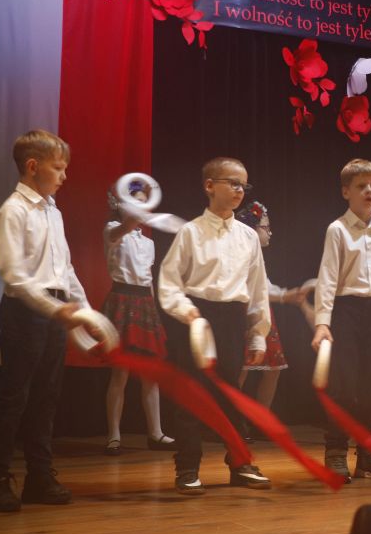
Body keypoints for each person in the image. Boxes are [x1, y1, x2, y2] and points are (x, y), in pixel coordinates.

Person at [0, 130, 90, 512]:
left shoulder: (52, 211)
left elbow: (65, 268)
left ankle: (39, 477)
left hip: (53, 310)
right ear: (32, 166)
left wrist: (85, 310)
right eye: (58, 168)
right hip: (26, 313)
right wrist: (52, 308)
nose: (64, 176)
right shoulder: (13, 211)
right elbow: (15, 277)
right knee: (14, 398)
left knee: (47, 397)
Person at [158, 157, 272, 494]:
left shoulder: (248, 237)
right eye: (233, 183)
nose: (240, 190)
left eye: (244, 185)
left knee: (231, 394)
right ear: (210, 186)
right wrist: (188, 313)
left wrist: (258, 335)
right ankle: (187, 467)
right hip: (195, 318)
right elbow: (168, 283)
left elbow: (257, 289)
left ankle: (240, 463)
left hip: (232, 319)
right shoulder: (190, 232)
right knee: (191, 394)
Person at [312, 159, 371, 483]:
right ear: (345, 192)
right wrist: (322, 322)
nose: (369, 191)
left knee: (370, 389)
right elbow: (327, 278)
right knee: (343, 387)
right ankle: (336, 452)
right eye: (361, 186)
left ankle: (367, 455)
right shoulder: (337, 229)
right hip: (346, 311)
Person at [102, 180, 173, 456]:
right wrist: (134, 217)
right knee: (120, 372)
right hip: (122, 299)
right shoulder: (112, 229)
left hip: (144, 303)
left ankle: (155, 433)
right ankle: (114, 436)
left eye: (145, 202)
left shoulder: (148, 242)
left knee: (150, 374)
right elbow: (121, 230)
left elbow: (148, 278)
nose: (141, 208)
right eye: (136, 203)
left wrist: (153, 310)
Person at [234, 201, 305, 437]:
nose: (270, 232)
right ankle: (233, 423)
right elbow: (256, 289)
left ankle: (261, 422)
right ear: (252, 229)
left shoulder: (256, 254)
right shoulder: (240, 253)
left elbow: (264, 285)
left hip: (263, 312)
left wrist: (286, 294)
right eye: (266, 227)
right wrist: (285, 295)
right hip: (245, 313)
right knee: (241, 369)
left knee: (273, 368)